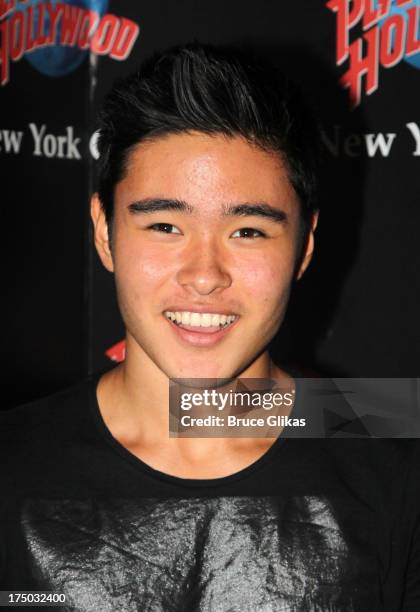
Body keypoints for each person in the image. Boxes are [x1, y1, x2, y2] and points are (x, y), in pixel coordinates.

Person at [1, 42, 419, 611]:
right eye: (165, 226)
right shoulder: (12, 459)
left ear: (304, 246)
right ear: (105, 232)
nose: (204, 276)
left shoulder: (398, 449)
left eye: (248, 231)